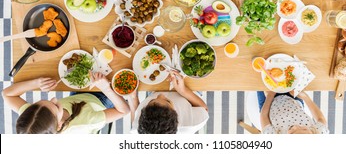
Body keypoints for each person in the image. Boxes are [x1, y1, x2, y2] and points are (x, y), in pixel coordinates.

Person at [2, 72, 130, 134]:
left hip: (80, 99)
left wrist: (37, 83)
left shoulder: (35, 119)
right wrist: (106, 88)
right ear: (59, 125)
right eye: (56, 106)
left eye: (44, 101)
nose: (54, 99)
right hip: (103, 102)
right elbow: (124, 110)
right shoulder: (86, 121)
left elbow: (7, 94)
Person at [128, 71, 209, 134]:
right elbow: (203, 108)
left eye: (152, 101)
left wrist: (133, 96)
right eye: (167, 101)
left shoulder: (139, 129)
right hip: (190, 92)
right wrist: (183, 90)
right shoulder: (192, 124)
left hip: (155, 88)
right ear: (176, 116)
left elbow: (135, 115)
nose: (161, 95)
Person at [258, 91, 329, 134]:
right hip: (294, 100)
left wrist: (270, 95)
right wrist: (305, 96)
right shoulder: (320, 134)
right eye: (304, 129)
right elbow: (320, 119)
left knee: (257, 76)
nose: (296, 126)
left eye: (292, 132)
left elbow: (264, 117)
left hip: (268, 104)